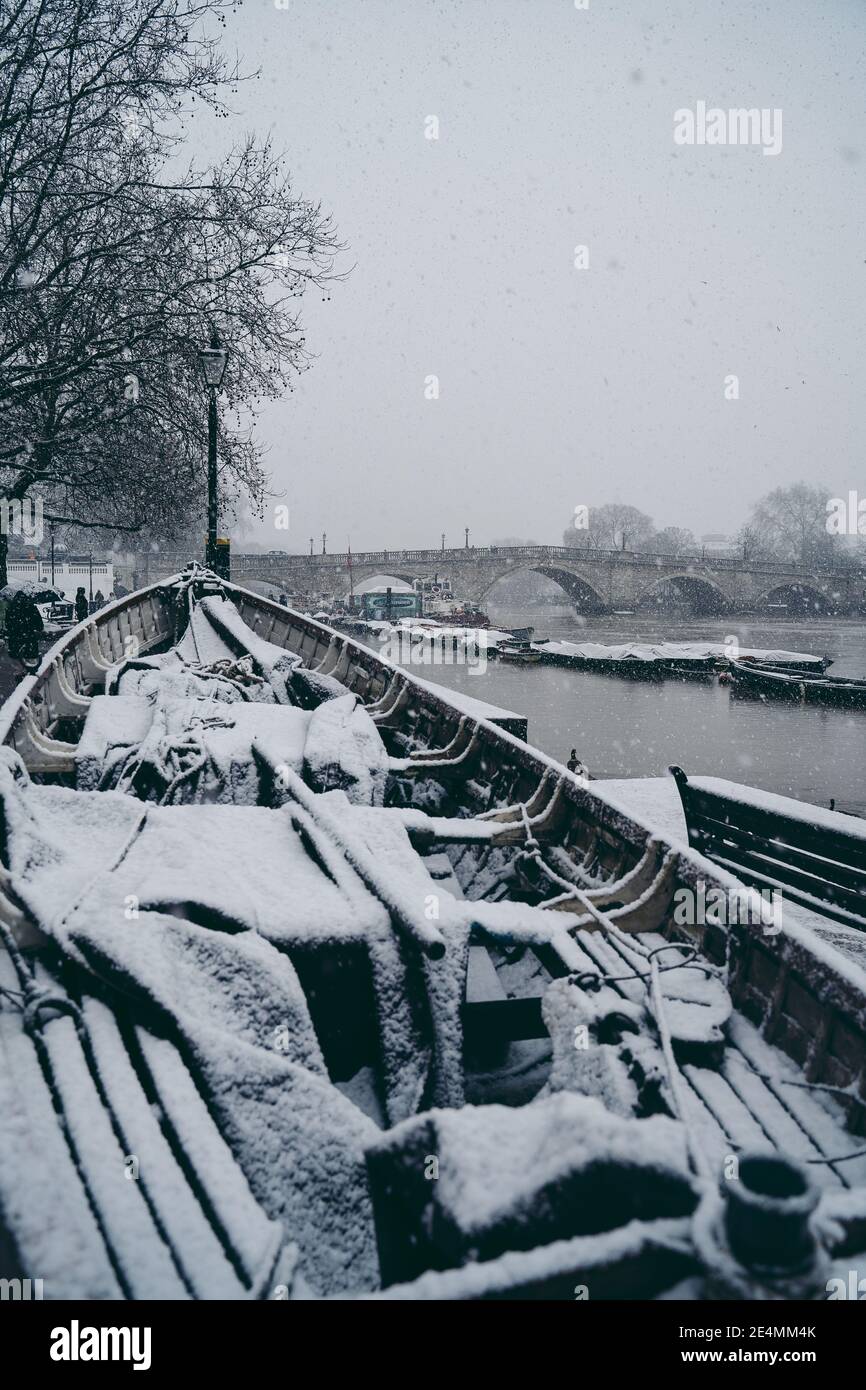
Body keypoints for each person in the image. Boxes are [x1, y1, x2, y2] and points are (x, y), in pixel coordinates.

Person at [6, 590, 44, 663]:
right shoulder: (31, 607)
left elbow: (8, 625)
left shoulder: (10, 608)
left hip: (15, 641)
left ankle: (19, 672)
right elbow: (39, 625)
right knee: (31, 664)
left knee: (16, 664)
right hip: (29, 641)